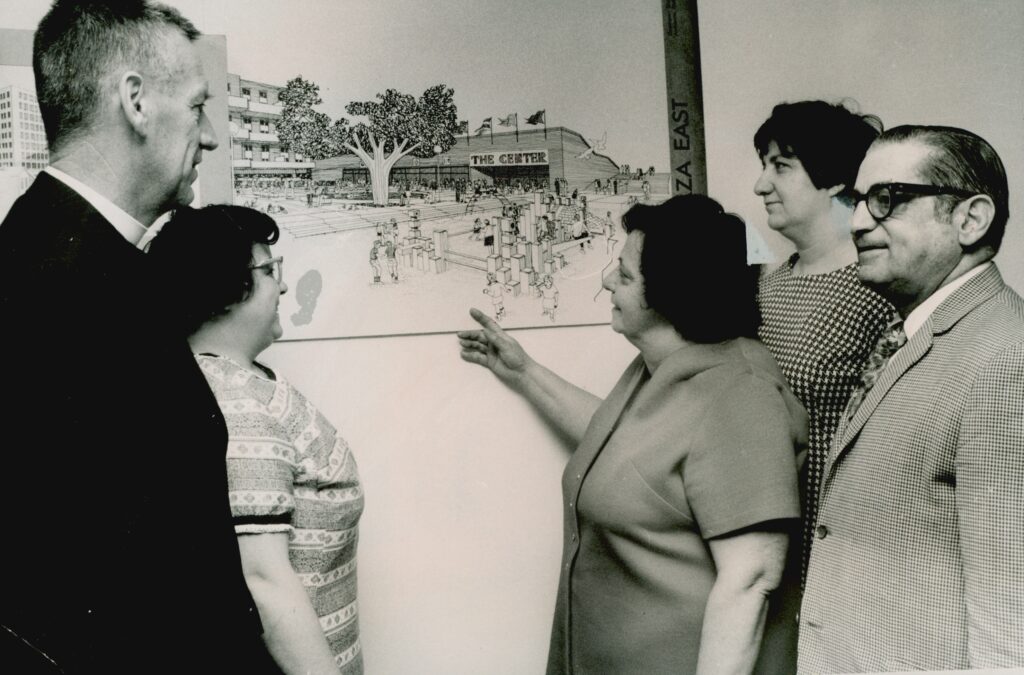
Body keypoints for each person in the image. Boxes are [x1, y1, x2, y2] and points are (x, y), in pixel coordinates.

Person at [0, 1, 277, 672]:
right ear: (135, 102)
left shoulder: (64, 254)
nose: (209, 137)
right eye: (197, 107)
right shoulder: (66, 284)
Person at [459, 195, 806, 674]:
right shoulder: (662, 368)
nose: (605, 281)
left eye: (623, 275)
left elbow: (751, 579)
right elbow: (630, 451)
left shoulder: (741, 396)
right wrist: (525, 373)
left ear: (670, 293)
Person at [800, 125, 1024, 672]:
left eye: (887, 199)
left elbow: (1011, 625)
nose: (856, 222)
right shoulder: (917, 332)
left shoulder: (1005, 360)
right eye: (857, 200)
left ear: (970, 219)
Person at [148, 205, 365, 675]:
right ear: (225, 290)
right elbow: (263, 580)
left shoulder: (244, 383)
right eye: (269, 271)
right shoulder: (232, 404)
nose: (283, 285)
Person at [753, 100, 893, 582]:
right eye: (763, 166)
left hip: (844, 555)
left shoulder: (880, 290)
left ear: (835, 178)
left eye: (781, 166)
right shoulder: (765, 288)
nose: (761, 185)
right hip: (766, 542)